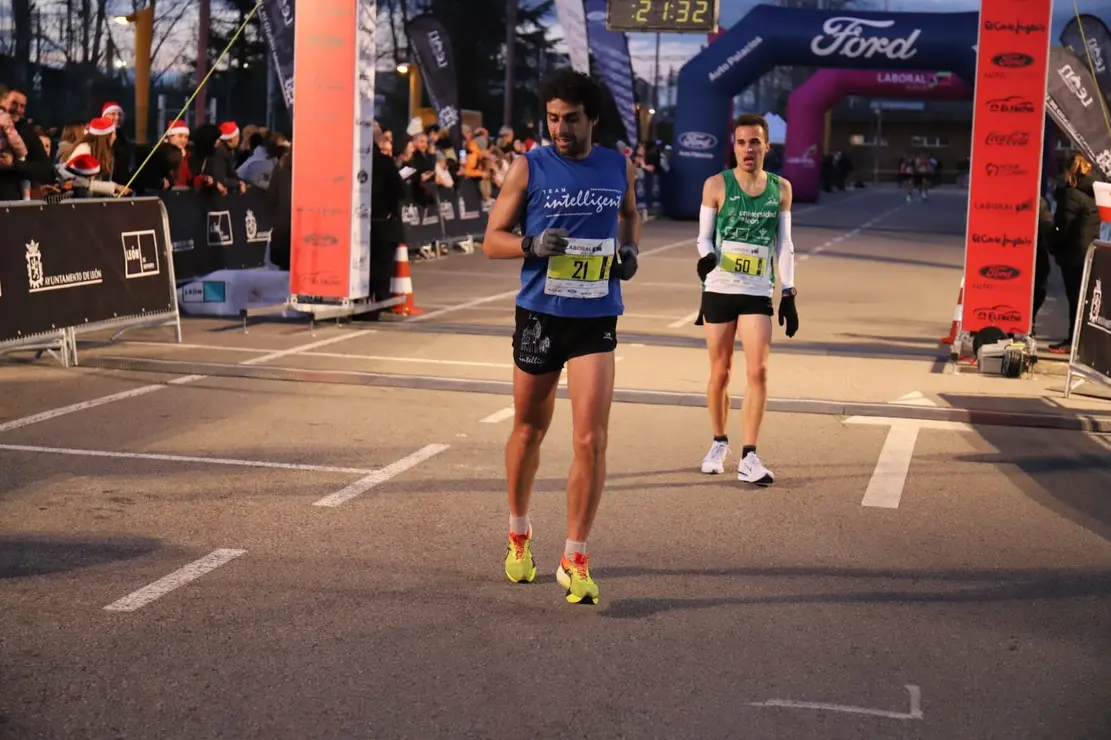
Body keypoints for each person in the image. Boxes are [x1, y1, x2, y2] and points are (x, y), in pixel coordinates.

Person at [480, 69, 641, 606]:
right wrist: (532, 243)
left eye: (570, 119)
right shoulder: (529, 166)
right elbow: (491, 241)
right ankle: (519, 535)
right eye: (552, 118)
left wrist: (630, 250)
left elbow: (630, 215)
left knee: (592, 439)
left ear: (592, 118)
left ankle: (575, 558)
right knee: (528, 429)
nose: (560, 129)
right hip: (541, 315)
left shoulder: (618, 165)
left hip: (596, 313)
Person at [693, 113, 798, 485]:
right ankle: (719, 442)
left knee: (758, 371)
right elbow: (704, 237)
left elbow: (783, 244)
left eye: (755, 142)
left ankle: (749, 456)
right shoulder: (716, 185)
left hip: (756, 290)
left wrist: (788, 291)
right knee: (720, 371)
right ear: (733, 147)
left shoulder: (781, 188)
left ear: (767, 145)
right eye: (741, 142)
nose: (748, 149)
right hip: (720, 288)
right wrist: (706, 257)